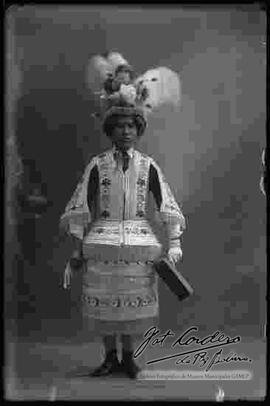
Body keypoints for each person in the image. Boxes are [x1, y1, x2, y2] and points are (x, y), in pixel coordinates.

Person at [60, 58, 186, 379]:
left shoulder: (149, 166)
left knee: (131, 301)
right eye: (120, 126)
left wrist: (174, 243)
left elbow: (166, 204)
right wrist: (76, 250)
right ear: (110, 131)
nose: (126, 131)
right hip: (102, 243)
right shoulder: (97, 165)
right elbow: (78, 207)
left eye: (131, 126)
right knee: (105, 302)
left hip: (139, 246)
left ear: (139, 129)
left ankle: (128, 357)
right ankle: (108, 356)